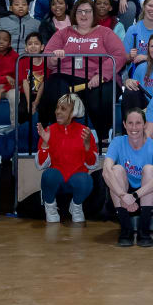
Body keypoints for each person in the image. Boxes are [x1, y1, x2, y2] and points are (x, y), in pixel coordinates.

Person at [41, 0, 127, 140]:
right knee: (53, 90)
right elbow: (48, 56)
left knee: (100, 98)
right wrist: (54, 58)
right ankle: (57, 136)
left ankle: (103, 137)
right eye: (80, 11)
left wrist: (101, 75)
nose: (83, 15)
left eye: (88, 11)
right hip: (66, 75)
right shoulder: (63, 33)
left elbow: (119, 55)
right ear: (74, 14)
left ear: (94, 14)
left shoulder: (105, 32)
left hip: (97, 78)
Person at [103, 109, 153, 247]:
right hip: (123, 199)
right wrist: (123, 195)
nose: (134, 127)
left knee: (150, 169)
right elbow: (106, 172)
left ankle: (144, 231)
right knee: (116, 170)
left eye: (138, 123)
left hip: (148, 199)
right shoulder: (118, 142)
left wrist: (135, 196)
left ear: (144, 125)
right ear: (124, 124)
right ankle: (126, 231)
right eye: (130, 123)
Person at [35, 95, 98, 224]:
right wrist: (45, 144)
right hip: (56, 181)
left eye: (63, 109)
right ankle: (50, 207)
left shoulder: (85, 132)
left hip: (76, 181)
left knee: (86, 180)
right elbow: (40, 165)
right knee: (48, 175)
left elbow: (92, 165)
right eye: (57, 108)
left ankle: (76, 206)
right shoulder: (49, 131)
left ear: (74, 111)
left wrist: (87, 147)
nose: (57, 111)